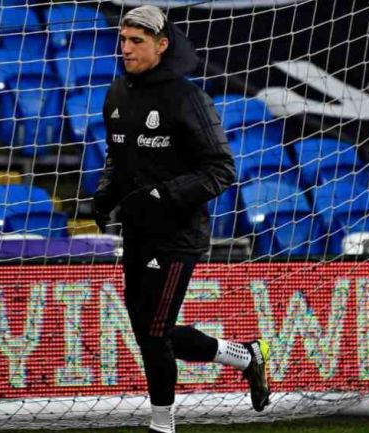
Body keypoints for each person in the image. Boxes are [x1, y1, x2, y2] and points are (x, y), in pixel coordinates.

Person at [92, 5, 271, 433]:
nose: (126, 48)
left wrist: (164, 194)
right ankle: (247, 356)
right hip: (137, 233)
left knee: (155, 334)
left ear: (162, 44)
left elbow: (221, 170)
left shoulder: (190, 98)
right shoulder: (117, 93)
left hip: (178, 236)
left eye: (137, 41)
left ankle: (162, 425)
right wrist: (104, 196)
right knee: (153, 334)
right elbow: (118, 158)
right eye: (123, 39)